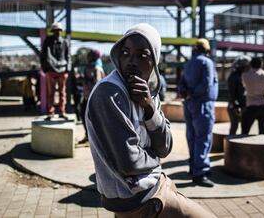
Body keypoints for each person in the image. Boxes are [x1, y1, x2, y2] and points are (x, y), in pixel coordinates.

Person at [86, 23, 215, 217]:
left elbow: (165, 146)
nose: (131, 61)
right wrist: (157, 160)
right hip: (135, 197)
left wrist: (149, 109)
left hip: (154, 184)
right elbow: (129, 162)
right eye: (126, 53)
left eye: (141, 55)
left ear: (154, 60)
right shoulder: (110, 93)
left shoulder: (149, 90)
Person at [178, 38, 218, 187]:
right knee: (203, 138)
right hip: (202, 104)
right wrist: (194, 94)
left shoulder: (188, 63)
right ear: (206, 49)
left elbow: (181, 84)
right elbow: (206, 84)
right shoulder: (206, 62)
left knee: (192, 136)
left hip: (189, 104)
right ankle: (200, 173)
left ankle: (193, 166)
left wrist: (186, 94)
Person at [40, 22, 71, 120]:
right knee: (51, 93)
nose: (57, 33)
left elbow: (68, 56)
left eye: (58, 31)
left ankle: (62, 111)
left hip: (62, 71)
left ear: (61, 31)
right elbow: (43, 56)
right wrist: (46, 70)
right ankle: (51, 113)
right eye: (55, 31)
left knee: (62, 93)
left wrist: (67, 70)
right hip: (51, 71)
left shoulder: (65, 42)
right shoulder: (48, 41)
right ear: (53, 31)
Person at [241, 57, 264, 135]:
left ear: (250, 64)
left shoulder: (245, 75)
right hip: (263, 107)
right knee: (262, 133)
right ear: (261, 64)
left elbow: (243, 87)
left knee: (244, 133)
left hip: (250, 107)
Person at [80, 49, 105, 143]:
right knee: (84, 116)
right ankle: (88, 136)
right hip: (87, 97)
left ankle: (94, 139)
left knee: (91, 118)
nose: (87, 57)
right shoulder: (90, 67)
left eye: (89, 55)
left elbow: (97, 84)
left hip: (93, 99)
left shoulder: (97, 68)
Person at [227, 56, 250, 135]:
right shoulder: (235, 77)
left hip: (239, 105)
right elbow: (232, 94)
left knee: (240, 127)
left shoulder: (240, 76)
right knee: (234, 127)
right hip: (236, 106)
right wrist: (236, 106)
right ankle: (230, 145)